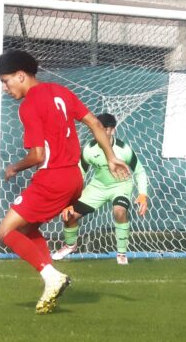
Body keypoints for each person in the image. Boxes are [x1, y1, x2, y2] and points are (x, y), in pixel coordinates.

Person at [0, 49, 130, 314]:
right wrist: (111, 156)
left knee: (5, 231)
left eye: (6, 80)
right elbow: (93, 122)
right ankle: (51, 281)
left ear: (21, 75)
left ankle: (51, 276)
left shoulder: (29, 105)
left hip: (52, 178)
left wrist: (14, 167)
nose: (5, 87)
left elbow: (37, 155)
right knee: (27, 229)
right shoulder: (60, 91)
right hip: (74, 177)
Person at [52, 113, 148, 265]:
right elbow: (79, 175)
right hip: (97, 188)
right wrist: (70, 200)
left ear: (112, 131)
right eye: (97, 129)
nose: (100, 133)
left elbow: (140, 171)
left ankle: (122, 253)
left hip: (120, 186)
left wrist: (143, 194)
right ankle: (70, 245)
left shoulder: (124, 149)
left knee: (119, 211)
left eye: (104, 129)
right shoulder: (89, 150)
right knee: (69, 215)